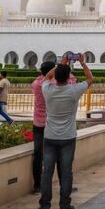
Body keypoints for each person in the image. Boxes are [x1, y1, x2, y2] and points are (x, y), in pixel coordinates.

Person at [36, 54, 93, 209]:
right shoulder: (73, 91)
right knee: (66, 172)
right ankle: (64, 206)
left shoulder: (47, 90)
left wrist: (60, 63)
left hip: (50, 136)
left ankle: (45, 206)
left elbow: (46, 77)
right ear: (69, 77)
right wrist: (82, 63)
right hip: (68, 137)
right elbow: (89, 79)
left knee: (47, 172)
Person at [30, 60, 76, 193]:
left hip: (38, 125)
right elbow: (71, 79)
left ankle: (38, 185)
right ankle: (65, 185)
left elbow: (43, 80)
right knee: (63, 159)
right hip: (55, 126)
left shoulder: (38, 84)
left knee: (38, 155)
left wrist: (57, 67)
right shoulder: (58, 86)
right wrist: (63, 65)